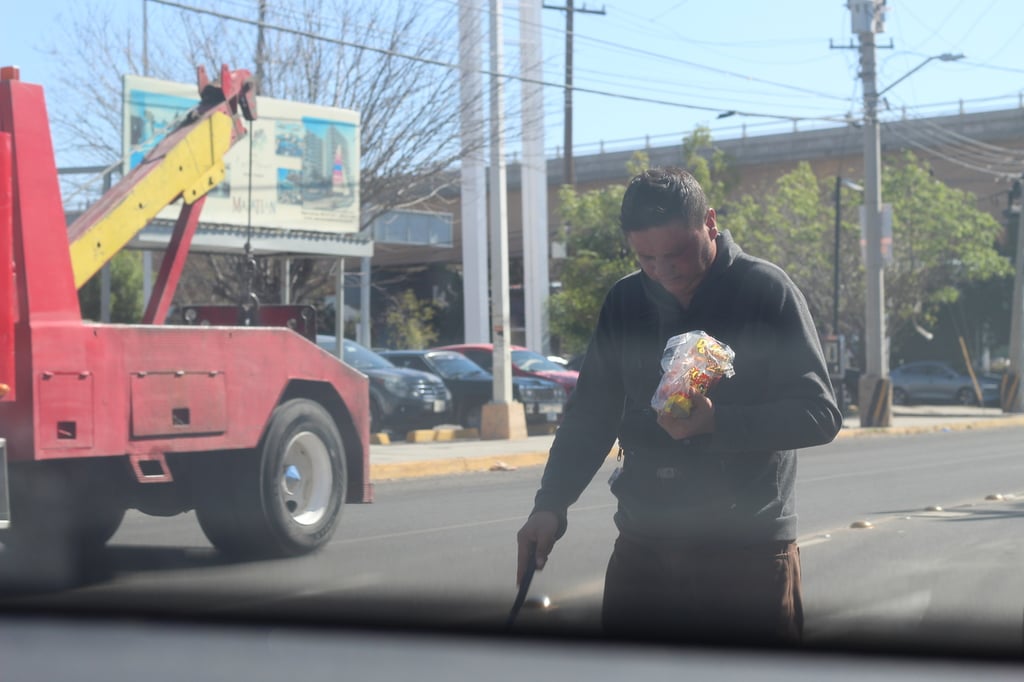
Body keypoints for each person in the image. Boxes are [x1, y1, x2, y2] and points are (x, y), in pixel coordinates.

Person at [515, 167, 842, 644]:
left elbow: (820, 414)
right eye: (646, 257)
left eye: (677, 254)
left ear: (709, 222)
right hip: (644, 549)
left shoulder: (766, 291)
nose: (664, 271)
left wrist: (717, 423)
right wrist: (551, 505)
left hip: (747, 555)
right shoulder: (625, 301)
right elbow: (590, 416)